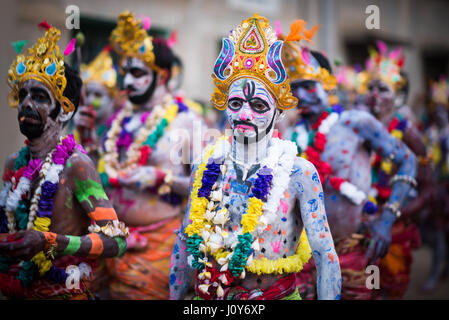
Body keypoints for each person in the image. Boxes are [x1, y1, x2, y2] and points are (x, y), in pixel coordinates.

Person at [169, 14, 341, 300]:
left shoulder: (300, 173)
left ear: (280, 112)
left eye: (259, 105)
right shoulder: (206, 165)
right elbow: (185, 243)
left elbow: (325, 256)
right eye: (236, 103)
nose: (245, 114)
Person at [281, 21, 417, 300]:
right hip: (299, 257)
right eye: (294, 88)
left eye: (308, 86)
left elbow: (408, 161)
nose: (300, 95)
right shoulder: (287, 134)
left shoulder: (355, 123)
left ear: (328, 85)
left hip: (351, 251)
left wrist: (387, 219)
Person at [0, 23, 128, 299]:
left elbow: (116, 241)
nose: (26, 104)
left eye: (40, 97)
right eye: (23, 95)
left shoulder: (76, 165)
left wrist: (50, 242)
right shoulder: (13, 164)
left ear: (65, 112)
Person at [102, 11, 206, 299]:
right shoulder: (118, 118)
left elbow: (207, 188)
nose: (129, 81)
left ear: (161, 76)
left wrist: (161, 177)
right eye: (126, 72)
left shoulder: (188, 122)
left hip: (160, 246)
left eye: (138, 73)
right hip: (112, 241)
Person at [364, 42, 426, 299]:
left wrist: (393, 215)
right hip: (364, 217)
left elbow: (427, 188)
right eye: (371, 88)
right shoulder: (362, 125)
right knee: (364, 285)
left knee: (391, 284)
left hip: (395, 220)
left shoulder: (408, 131)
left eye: (383, 89)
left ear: (398, 96)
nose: (374, 95)